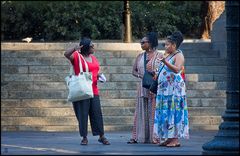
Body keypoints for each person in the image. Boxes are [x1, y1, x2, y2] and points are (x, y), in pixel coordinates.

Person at [64, 37, 110, 145]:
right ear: (86, 47)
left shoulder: (93, 58)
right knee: (82, 115)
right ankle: (84, 137)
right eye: (91, 45)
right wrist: (74, 48)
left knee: (97, 114)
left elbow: (94, 71)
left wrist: (99, 76)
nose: (94, 47)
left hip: (94, 90)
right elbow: (66, 54)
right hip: (82, 90)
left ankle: (101, 136)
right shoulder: (77, 56)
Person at [153, 31, 189, 147]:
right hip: (164, 89)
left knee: (173, 112)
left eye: (167, 44)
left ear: (174, 45)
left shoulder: (179, 55)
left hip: (174, 89)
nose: (165, 46)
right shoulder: (167, 54)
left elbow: (177, 69)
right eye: (165, 44)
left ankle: (175, 139)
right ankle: (168, 137)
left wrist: (165, 62)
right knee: (166, 112)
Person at [128, 32, 163, 144]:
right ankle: (140, 136)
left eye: (143, 42)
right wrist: (141, 75)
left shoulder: (160, 56)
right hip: (142, 87)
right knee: (141, 112)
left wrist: (155, 74)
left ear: (151, 43)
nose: (141, 44)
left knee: (154, 112)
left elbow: (164, 71)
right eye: (141, 42)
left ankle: (154, 136)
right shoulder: (140, 56)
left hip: (154, 87)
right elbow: (133, 71)